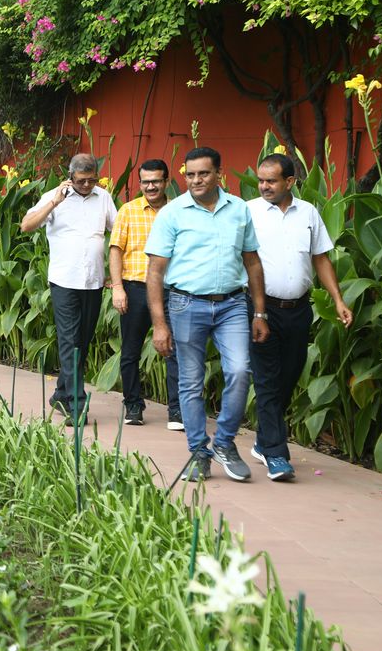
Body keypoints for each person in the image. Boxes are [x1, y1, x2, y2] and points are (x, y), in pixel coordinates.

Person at [146, 146, 269, 483]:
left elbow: (252, 262)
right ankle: (199, 452)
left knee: (240, 371)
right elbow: (155, 272)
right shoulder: (172, 214)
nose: (196, 180)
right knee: (190, 382)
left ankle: (225, 443)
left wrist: (260, 313)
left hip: (232, 305)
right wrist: (159, 324)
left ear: (219, 174)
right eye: (190, 174)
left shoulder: (239, 209)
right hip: (186, 305)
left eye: (203, 173)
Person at [246, 153, 354, 482]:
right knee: (266, 379)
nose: (264, 186)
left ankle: (264, 441)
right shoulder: (248, 212)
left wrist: (338, 300)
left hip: (299, 310)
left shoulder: (308, 213)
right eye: (261, 180)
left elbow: (320, 258)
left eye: (271, 181)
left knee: (289, 375)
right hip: (260, 309)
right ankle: (276, 454)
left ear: (290, 181)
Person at [21, 153, 116, 425]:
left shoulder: (103, 197)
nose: (86, 185)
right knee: (70, 342)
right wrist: (54, 202)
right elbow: (27, 226)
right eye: (81, 180)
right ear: (70, 176)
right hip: (64, 282)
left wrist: (115, 272)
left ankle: (61, 394)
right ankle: (76, 405)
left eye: (91, 180)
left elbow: (118, 232)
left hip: (93, 282)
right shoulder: (54, 196)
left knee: (82, 342)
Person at [108, 159, 181, 427]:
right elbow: (115, 249)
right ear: (140, 183)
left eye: (156, 181)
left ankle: (177, 410)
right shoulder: (128, 211)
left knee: (175, 350)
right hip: (135, 287)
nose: (151, 186)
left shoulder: (178, 211)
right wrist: (118, 288)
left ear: (166, 182)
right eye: (145, 182)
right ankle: (133, 405)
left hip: (171, 290)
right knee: (131, 351)